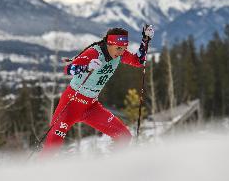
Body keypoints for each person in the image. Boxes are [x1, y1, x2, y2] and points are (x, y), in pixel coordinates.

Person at [41, 25, 154, 155]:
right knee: (52, 146)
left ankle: (111, 167)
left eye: (124, 48)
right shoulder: (94, 53)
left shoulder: (118, 54)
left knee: (124, 136)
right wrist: (87, 67)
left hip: (91, 107)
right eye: (119, 48)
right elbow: (68, 69)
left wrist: (145, 40)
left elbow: (138, 61)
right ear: (109, 44)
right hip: (71, 104)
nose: (122, 52)